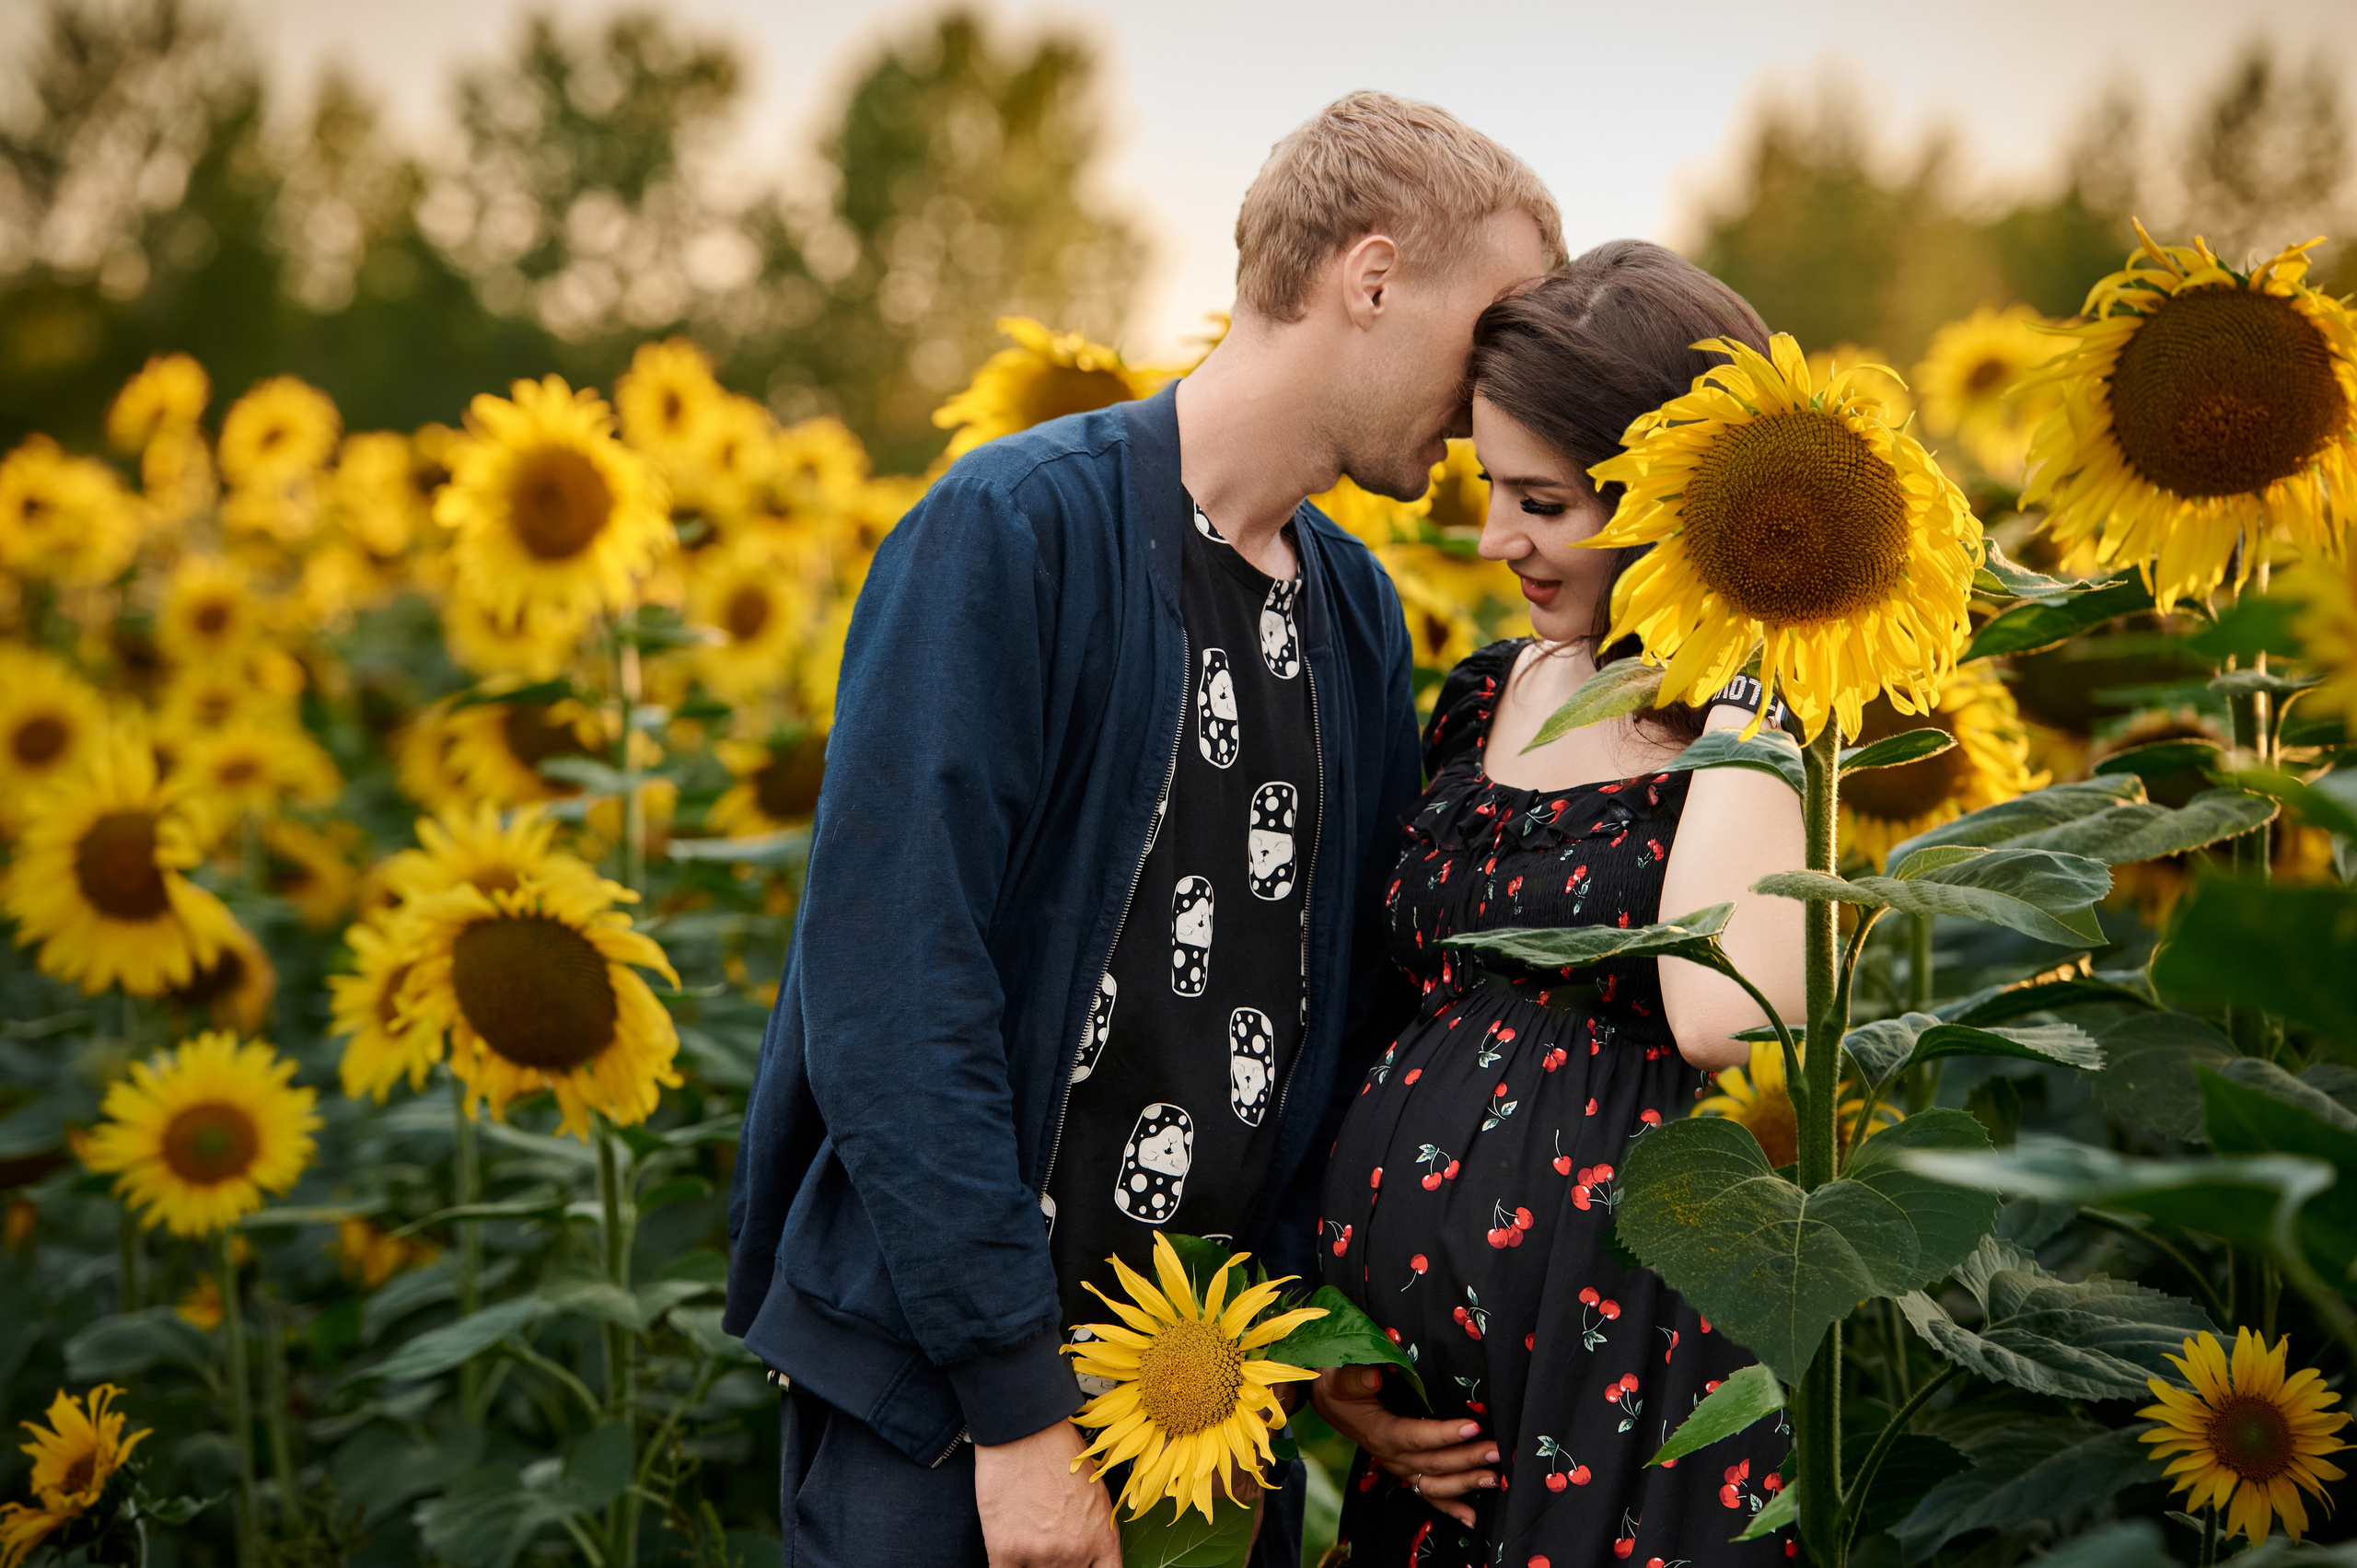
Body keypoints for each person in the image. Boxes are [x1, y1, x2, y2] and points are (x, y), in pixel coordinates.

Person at [724, 90, 1561, 1568]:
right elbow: (893, 990)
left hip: (1208, 1411)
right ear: (1370, 281)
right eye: (1489, 327)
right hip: (957, 1421)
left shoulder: (1356, 612)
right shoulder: (1015, 531)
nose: (1501, 387)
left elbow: (1339, 1009)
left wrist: (1323, 1331)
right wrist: (1016, 1417)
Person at [1307, 241, 1809, 1567]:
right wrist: (1338, 1345)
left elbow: (1727, 1020)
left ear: (1665, 503)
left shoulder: (1747, 721)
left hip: (1629, 1380)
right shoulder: (1486, 691)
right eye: (1491, 488)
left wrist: (1753, 663)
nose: (1494, 540)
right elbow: (1391, 1005)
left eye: (1542, 501)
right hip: (1434, 1427)